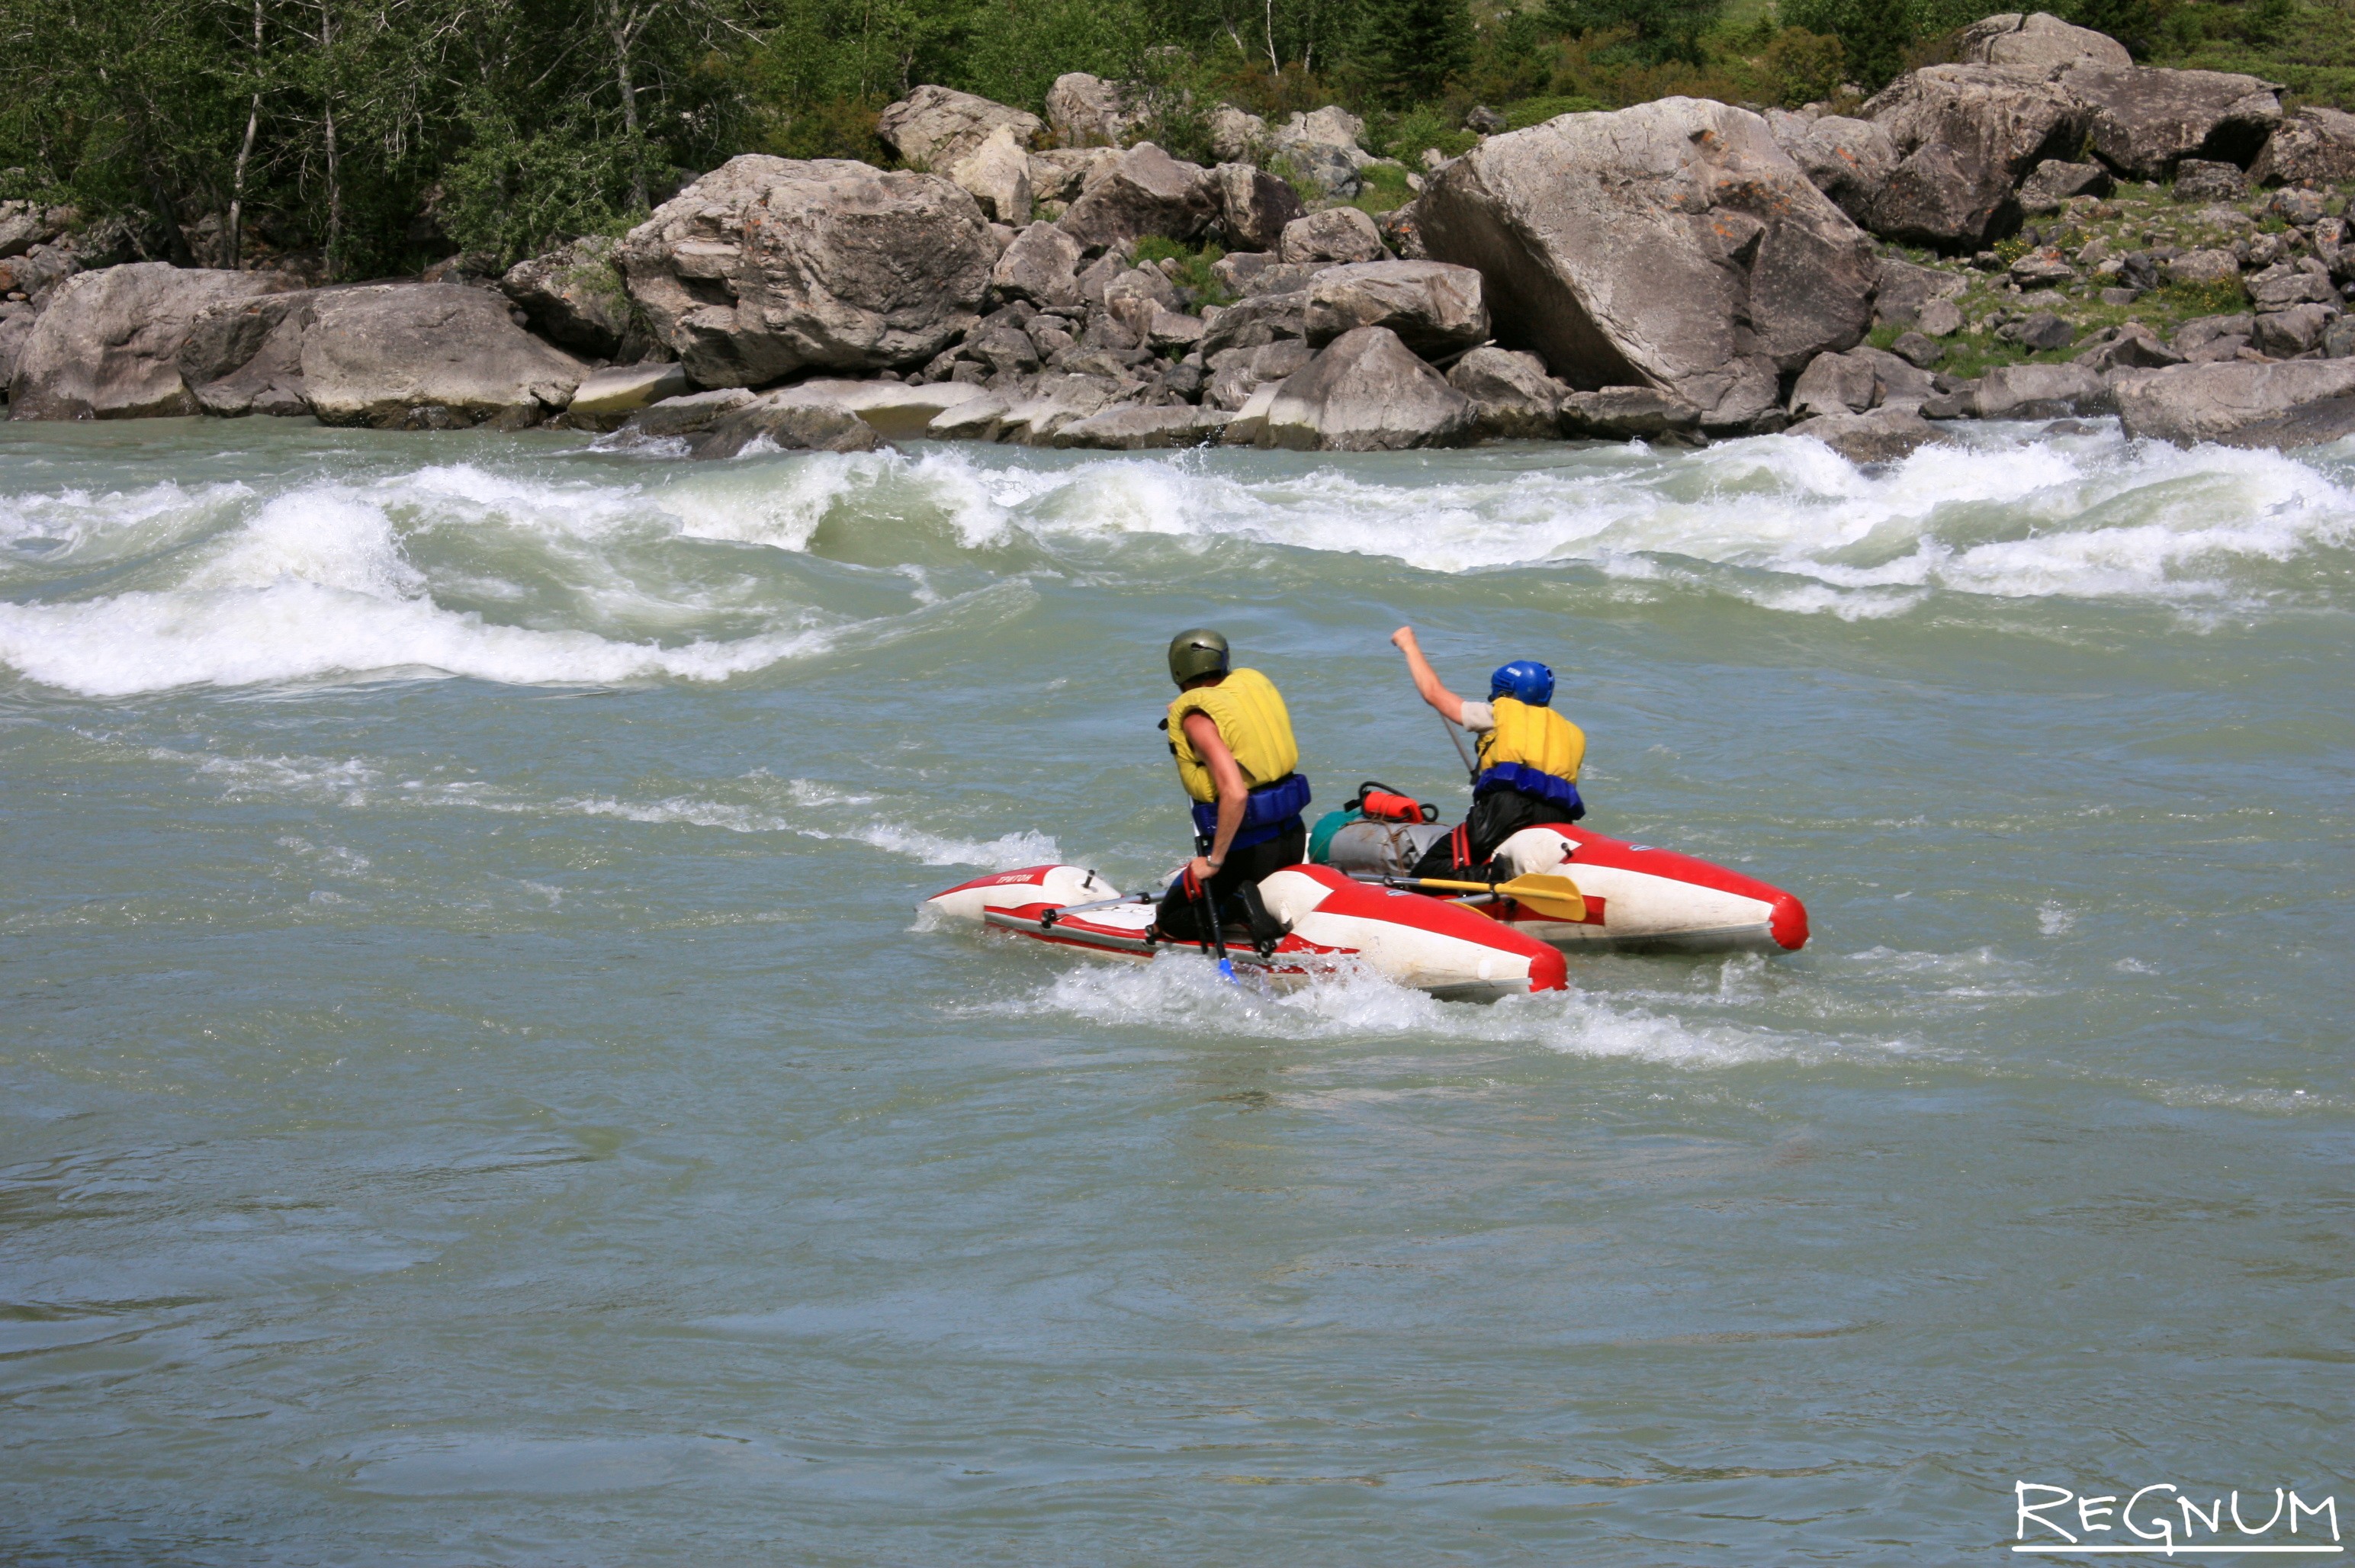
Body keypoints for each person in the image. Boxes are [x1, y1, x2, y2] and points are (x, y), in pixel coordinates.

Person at [1153, 628, 1311, 949]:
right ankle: (1246, 900)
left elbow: (1236, 793)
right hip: (1291, 840)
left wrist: (1214, 861)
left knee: (1168, 920)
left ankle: (1235, 906)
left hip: (1248, 855)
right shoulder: (1248, 688)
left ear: (1179, 669)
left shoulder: (1197, 720)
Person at [1390, 625, 1586, 879]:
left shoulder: (1497, 714)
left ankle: (1492, 877)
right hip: (1558, 821)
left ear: (1504, 693)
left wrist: (1409, 646)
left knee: (1430, 869)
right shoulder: (1571, 732)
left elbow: (1433, 694)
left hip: (1507, 810)